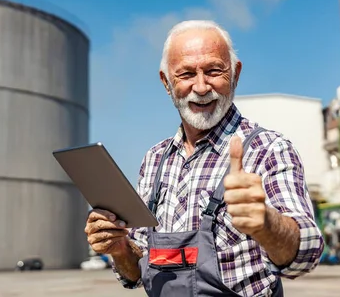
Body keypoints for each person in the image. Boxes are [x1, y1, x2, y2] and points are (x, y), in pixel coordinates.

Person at [84, 20, 324, 296]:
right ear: (166, 82)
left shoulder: (268, 149)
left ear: (235, 74)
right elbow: (136, 272)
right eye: (186, 74)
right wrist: (120, 248)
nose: (200, 87)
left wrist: (267, 223)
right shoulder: (154, 160)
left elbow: (307, 253)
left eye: (213, 71)